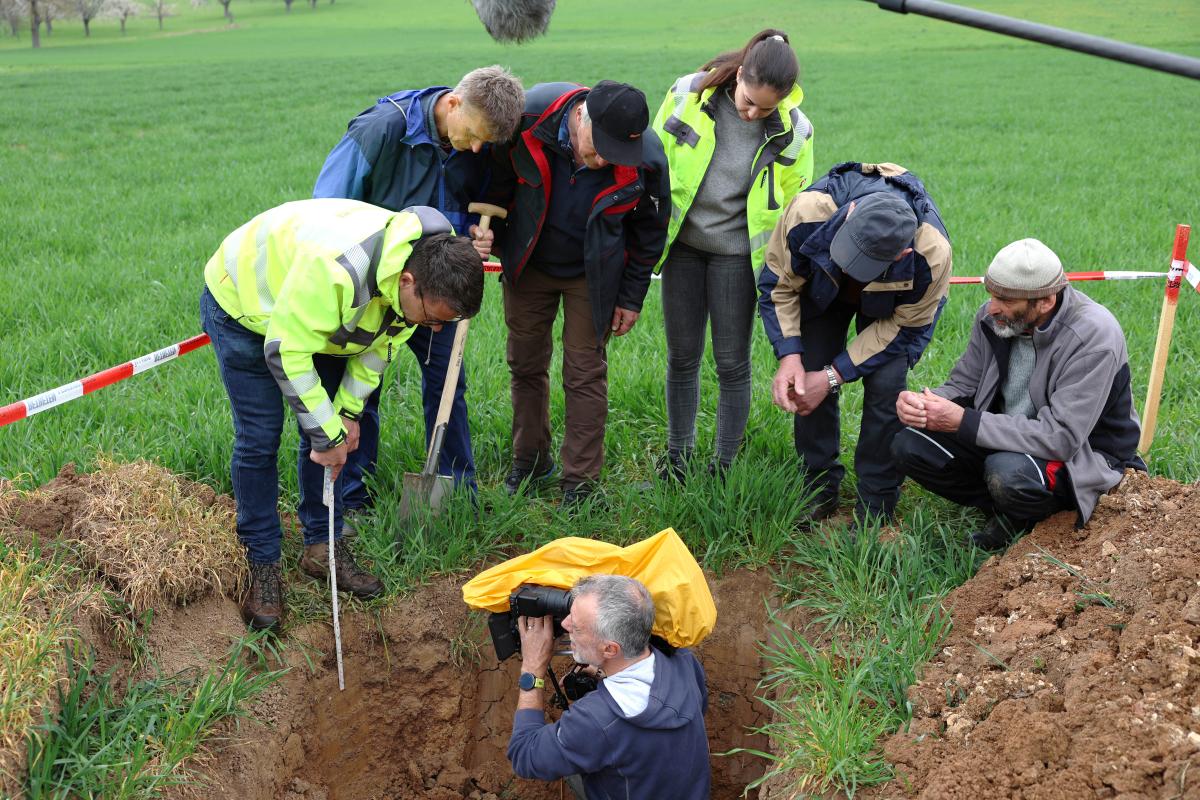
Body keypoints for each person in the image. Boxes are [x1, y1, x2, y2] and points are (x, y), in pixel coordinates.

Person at [200, 200, 485, 632]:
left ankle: (323, 546)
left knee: (327, 424)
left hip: (315, 314)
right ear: (407, 282)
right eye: (431, 318)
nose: (435, 329)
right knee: (260, 437)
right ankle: (262, 562)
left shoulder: (419, 273)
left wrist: (348, 414)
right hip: (246, 302)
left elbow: (380, 345)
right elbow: (286, 351)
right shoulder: (337, 274)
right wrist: (326, 436)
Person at [313, 65, 525, 509]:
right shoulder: (381, 129)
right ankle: (353, 499)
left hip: (440, 288)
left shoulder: (474, 141)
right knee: (360, 392)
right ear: (453, 103)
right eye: (474, 135)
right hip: (373, 288)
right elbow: (325, 211)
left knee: (448, 385)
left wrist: (472, 234)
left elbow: (466, 204)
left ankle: (457, 493)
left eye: (486, 142)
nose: (478, 148)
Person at [892, 238, 1145, 549]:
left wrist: (963, 421)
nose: (992, 307)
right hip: (1008, 436)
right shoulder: (994, 319)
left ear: (1045, 301)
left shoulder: (1093, 336)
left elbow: (1061, 438)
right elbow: (965, 383)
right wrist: (926, 404)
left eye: (1005, 299)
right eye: (991, 294)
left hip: (1082, 453)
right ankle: (1004, 507)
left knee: (1007, 473)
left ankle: (1034, 517)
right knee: (910, 443)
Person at [487, 80, 670, 506]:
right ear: (581, 118)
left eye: (616, 154)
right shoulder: (528, 120)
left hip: (594, 275)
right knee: (525, 363)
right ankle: (530, 462)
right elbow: (493, 180)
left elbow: (649, 232)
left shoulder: (647, 158)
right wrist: (490, 231)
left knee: (585, 373)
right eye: (600, 148)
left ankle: (580, 485)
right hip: (530, 262)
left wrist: (631, 296)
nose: (604, 160)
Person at [652, 28, 814, 481]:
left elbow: (796, 204)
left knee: (731, 363)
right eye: (748, 102)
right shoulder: (687, 93)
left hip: (738, 257)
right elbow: (653, 159)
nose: (752, 114)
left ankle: (723, 468)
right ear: (739, 74)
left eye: (765, 109)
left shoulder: (796, 131)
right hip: (683, 247)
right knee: (682, 358)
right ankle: (677, 461)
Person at [758, 162, 952, 528]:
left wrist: (833, 376)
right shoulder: (808, 213)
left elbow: (903, 330)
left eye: (863, 264)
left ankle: (876, 501)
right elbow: (778, 285)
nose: (849, 267)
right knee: (809, 369)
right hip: (822, 290)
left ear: (901, 255)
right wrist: (789, 355)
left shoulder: (931, 255)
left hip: (892, 314)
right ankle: (818, 485)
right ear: (849, 214)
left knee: (886, 386)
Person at [509, 575, 710, 800]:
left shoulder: (595, 720)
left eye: (576, 628)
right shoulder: (683, 661)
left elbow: (523, 754)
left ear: (610, 650)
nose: (564, 624)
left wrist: (532, 668)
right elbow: (699, 707)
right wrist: (604, 672)